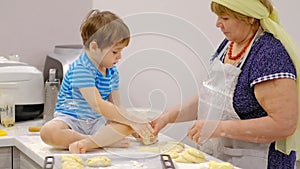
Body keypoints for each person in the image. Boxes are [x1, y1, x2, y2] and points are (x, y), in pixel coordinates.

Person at [152, 0, 300, 168]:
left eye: (225, 18)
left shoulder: (269, 55)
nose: (217, 24)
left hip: (259, 161)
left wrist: (218, 128)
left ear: (249, 17)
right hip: (222, 158)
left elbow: (284, 124)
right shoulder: (228, 45)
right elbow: (213, 97)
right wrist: (168, 116)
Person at [40, 9, 154, 154]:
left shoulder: (112, 72)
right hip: (71, 120)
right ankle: (96, 141)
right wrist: (132, 121)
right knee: (48, 132)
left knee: (126, 125)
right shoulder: (82, 68)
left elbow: (117, 106)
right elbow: (98, 104)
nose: (119, 57)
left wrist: (136, 126)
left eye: (121, 51)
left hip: (97, 122)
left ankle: (89, 143)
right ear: (94, 47)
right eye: (115, 52)